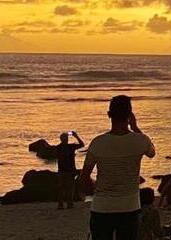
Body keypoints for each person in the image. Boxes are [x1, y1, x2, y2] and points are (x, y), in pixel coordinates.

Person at [79, 95, 156, 240]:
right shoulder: (140, 141)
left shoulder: (97, 143)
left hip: (102, 206)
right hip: (129, 206)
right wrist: (135, 127)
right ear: (130, 115)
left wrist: (94, 189)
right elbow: (152, 153)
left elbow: (84, 177)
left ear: (109, 115)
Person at [56, 130, 84, 209]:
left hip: (61, 170)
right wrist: (76, 136)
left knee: (62, 188)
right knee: (70, 188)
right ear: (66, 139)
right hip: (70, 170)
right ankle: (69, 204)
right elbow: (82, 144)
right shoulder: (71, 147)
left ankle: (61, 204)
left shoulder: (58, 148)